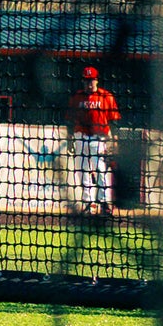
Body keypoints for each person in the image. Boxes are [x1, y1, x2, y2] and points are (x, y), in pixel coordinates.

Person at [64, 66, 121, 216]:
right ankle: (89, 203)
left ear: (97, 80)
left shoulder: (106, 96)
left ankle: (104, 203)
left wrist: (114, 140)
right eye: (87, 80)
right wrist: (70, 139)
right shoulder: (77, 97)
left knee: (101, 169)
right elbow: (70, 121)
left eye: (92, 80)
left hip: (99, 137)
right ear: (83, 81)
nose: (89, 83)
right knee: (82, 171)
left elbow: (114, 121)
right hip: (80, 137)